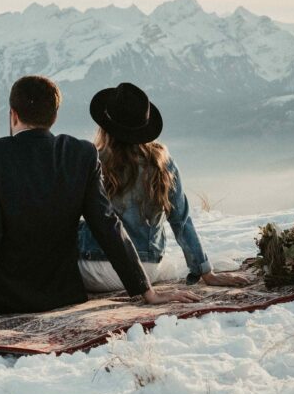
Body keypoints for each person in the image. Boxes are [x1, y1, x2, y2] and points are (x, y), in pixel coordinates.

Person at [0, 75, 201, 330]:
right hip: (61, 292)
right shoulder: (81, 154)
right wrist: (145, 292)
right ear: (55, 115)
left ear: (13, 113)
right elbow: (107, 225)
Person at [76, 82, 251, 291]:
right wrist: (206, 271)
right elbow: (181, 221)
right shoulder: (162, 164)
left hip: (92, 270)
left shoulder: (93, 159)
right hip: (146, 271)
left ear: (105, 126)